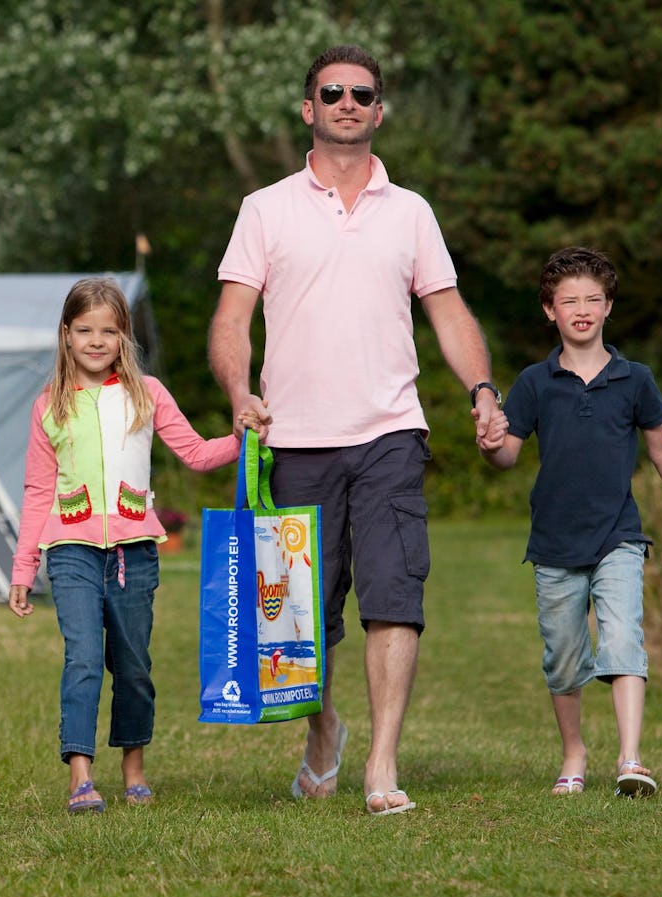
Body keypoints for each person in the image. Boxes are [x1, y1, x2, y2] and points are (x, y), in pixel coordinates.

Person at [208, 44, 507, 816]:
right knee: (300, 621)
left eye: (362, 93)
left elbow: (447, 312)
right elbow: (232, 319)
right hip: (293, 438)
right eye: (332, 92)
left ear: (378, 111)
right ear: (309, 110)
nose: (347, 102)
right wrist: (240, 391)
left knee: (393, 594)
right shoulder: (264, 209)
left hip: (389, 435)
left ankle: (381, 765)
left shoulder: (411, 213)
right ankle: (323, 730)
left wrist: (480, 388)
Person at [478, 246, 662, 798]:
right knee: (563, 658)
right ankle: (574, 753)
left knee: (623, 638)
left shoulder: (635, 379)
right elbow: (507, 455)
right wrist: (490, 445)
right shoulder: (535, 382)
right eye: (568, 301)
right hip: (555, 541)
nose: (581, 309)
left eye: (592, 299)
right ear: (549, 311)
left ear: (609, 306)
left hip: (619, 536)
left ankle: (630, 759)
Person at [10, 277, 246, 814]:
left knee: (134, 666)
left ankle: (134, 769)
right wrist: (24, 567)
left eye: (109, 331)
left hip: (135, 552)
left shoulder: (148, 394)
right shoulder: (49, 405)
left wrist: (243, 438)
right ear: (66, 335)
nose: (97, 340)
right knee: (84, 658)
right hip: (70, 550)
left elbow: (195, 452)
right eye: (86, 330)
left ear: (124, 337)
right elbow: (38, 490)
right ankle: (80, 777)